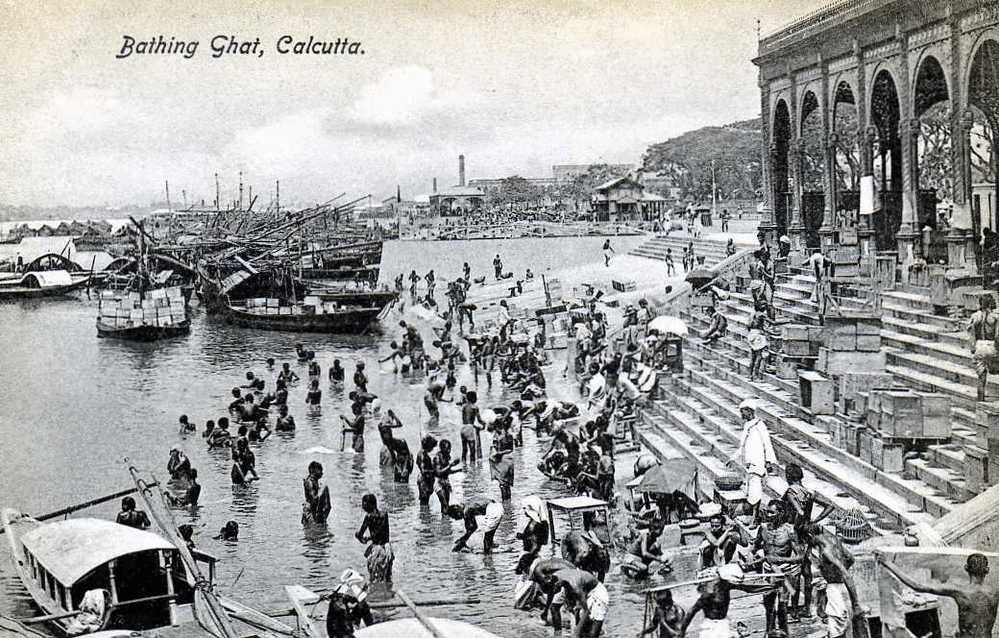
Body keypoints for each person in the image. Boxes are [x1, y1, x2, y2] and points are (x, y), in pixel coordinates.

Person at [876, 551, 999, 638]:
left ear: (966, 568)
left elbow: (918, 586)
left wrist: (888, 563)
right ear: (987, 570)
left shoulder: (960, 592)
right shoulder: (994, 592)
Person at [782, 463, 835, 618]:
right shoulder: (809, 492)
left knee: (796, 571)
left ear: (788, 477)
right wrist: (813, 521)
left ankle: (795, 609)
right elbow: (830, 506)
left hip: (795, 534)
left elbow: (798, 510)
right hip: (806, 533)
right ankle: (806, 607)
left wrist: (797, 523)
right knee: (806, 571)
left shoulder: (791, 492)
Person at [799, 523, 863, 638]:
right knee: (844, 625)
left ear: (810, 536)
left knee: (836, 629)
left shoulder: (826, 551)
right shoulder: (834, 540)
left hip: (836, 589)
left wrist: (856, 603)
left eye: (807, 540)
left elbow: (846, 574)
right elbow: (850, 558)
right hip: (841, 587)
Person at [755, 501, 801, 638]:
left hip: (783, 572)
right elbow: (755, 546)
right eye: (767, 512)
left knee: (782, 606)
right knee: (768, 604)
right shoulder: (763, 528)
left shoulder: (789, 531)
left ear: (780, 513)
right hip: (768, 570)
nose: (768, 515)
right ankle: (768, 631)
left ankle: (784, 633)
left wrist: (780, 560)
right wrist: (753, 557)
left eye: (772, 512)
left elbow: (800, 557)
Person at [726, 399, 776, 523]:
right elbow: (742, 446)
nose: (741, 415)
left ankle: (755, 518)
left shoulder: (760, 425)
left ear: (749, 411)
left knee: (755, 491)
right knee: (752, 490)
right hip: (749, 463)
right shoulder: (747, 426)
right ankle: (753, 515)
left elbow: (767, 444)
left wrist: (769, 461)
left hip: (758, 462)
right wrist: (732, 458)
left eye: (743, 412)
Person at [548, 568, 608, 638]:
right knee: (554, 607)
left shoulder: (575, 586)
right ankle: (558, 634)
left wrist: (576, 632)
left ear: (557, 583)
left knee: (592, 634)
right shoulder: (555, 576)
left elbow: (586, 610)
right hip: (576, 586)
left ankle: (599, 630)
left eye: (554, 589)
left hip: (596, 591)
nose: (554, 591)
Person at [324, 569, 374, 638]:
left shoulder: (346, 596)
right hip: (338, 632)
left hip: (348, 625)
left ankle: (370, 628)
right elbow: (342, 631)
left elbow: (360, 604)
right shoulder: (339, 604)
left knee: (363, 606)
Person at [356, 494, 393, 582]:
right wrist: (369, 538)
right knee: (388, 578)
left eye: (364, 504)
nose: (363, 506)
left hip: (377, 550)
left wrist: (359, 537)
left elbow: (361, 534)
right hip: (387, 548)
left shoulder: (368, 517)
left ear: (372, 505)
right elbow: (383, 533)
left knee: (375, 580)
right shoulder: (384, 514)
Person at [968, 293, 999, 401]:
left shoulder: (975, 316)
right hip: (992, 346)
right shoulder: (996, 317)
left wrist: (973, 348)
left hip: (979, 346)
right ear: (992, 303)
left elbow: (971, 334)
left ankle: (980, 401)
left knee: (981, 377)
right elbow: (997, 336)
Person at [433, 439, 462, 511]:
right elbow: (438, 473)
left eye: (449, 448)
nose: (449, 451)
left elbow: (447, 472)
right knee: (445, 505)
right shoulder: (437, 458)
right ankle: (445, 521)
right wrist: (451, 465)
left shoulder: (446, 456)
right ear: (442, 449)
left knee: (446, 506)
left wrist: (458, 470)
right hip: (438, 482)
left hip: (446, 481)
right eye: (447, 449)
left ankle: (445, 521)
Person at [302, 461, 332, 525]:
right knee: (312, 529)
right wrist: (322, 490)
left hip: (314, 510)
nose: (322, 473)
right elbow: (314, 499)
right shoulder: (309, 481)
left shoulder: (315, 481)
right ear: (314, 471)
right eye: (320, 470)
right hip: (310, 511)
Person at [416, 436, 438, 505]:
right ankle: (424, 515)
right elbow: (423, 470)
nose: (432, 449)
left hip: (424, 479)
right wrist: (433, 471)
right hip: (424, 480)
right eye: (431, 447)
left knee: (424, 502)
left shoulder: (421, 453)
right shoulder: (423, 455)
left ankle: (424, 514)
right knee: (424, 502)